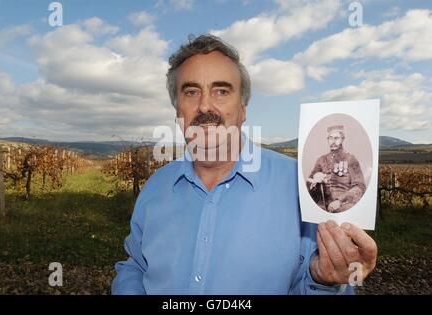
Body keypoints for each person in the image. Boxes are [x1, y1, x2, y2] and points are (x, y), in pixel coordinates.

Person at [112, 34, 377, 295]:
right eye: (191, 92)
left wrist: (324, 282)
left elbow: (316, 283)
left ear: (243, 109)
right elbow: (135, 265)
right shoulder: (156, 186)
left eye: (221, 91)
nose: (205, 105)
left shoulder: (298, 187)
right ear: (177, 109)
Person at [307, 125, 366, 213]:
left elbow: (360, 187)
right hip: (322, 205)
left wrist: (340, 201)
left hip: (344, 206)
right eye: (330, 138)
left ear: (342, 139)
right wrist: (315, 182)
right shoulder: (321, 160)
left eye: (336, 138)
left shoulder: (350, 159)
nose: (333, 142)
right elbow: (308, 185)